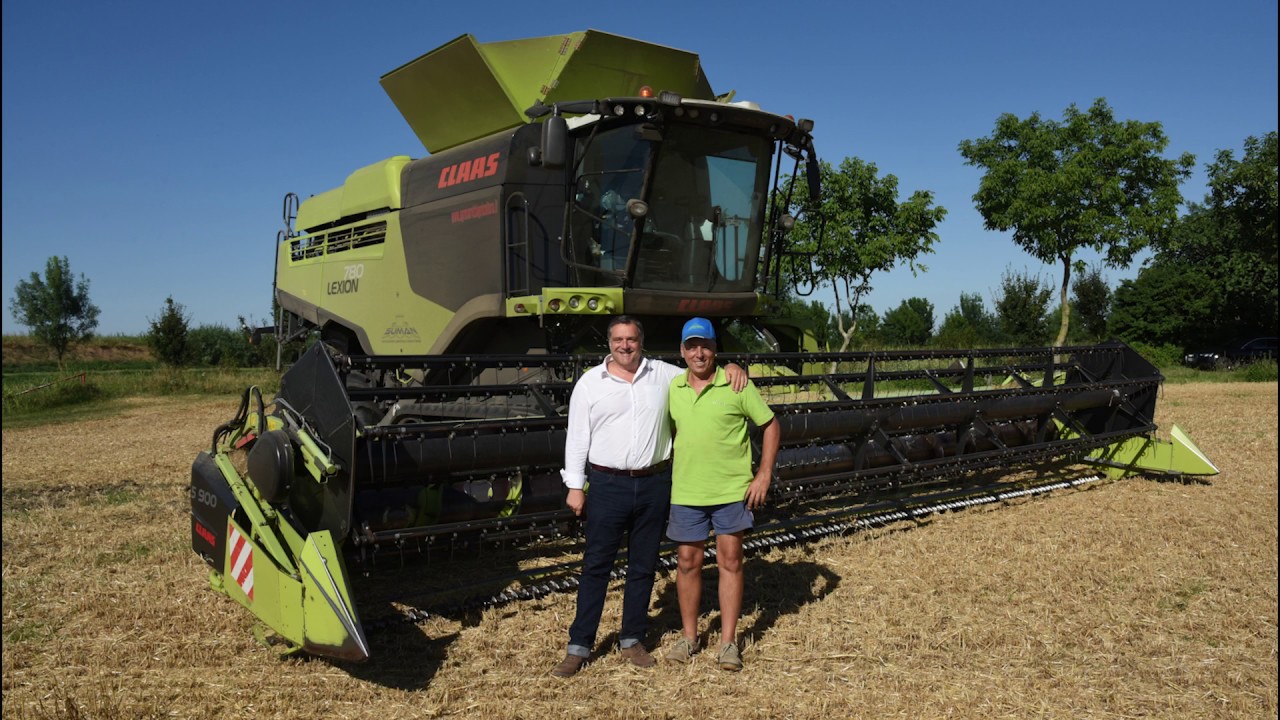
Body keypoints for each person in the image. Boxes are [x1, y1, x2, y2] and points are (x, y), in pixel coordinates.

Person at [551, 315, 747, 678]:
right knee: (596, 566)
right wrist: (575, 486)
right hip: (607, 484)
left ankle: (632, 639)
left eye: (631, 340)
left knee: (642, 566)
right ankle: (579, 646)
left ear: (641, 342)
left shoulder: (664, 375)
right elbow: (577, 436)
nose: (625, 346)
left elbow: (701, 368)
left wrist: (733, 367)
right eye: (618, 340)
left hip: (654, 484)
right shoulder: (590, 383)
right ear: (609, 343)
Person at [663, 317, 780, 672]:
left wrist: (763, 474)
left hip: (731, 489)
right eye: (692, 346)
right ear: (682, 351)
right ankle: (689, 637)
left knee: (730, 560)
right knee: (687, 562)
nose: (699, 353)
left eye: (706, 346)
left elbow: (770, 424)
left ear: (715, 349)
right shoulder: (672, 388)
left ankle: (728, 642)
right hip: (687, 490)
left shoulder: (736, 384)